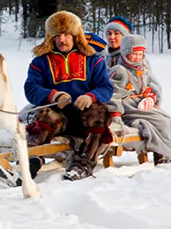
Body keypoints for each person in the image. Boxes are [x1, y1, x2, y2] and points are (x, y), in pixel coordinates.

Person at [24, 10, 114, 180]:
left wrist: (91, 96)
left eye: (66, 34)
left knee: (98, 112)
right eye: (57, 35)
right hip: (58, 116)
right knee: (43, 115)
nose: (61, 39)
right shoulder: (40, 61)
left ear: (76, 36)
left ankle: (82, 165)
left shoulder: (93, 60)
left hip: (85, 117)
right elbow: (31, 89)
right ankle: (32, 159)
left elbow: (106, 88)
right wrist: (53, 95)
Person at [107, 35, 171, 168]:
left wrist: (150, 97)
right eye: (134, 54)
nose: (138, 57)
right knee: (160, 122)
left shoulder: (142, 70)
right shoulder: (119, 71)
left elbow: (150, 87)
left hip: (141, 105)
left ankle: (166, 155)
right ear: (126, 53)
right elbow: (113, 94)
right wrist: (115, 114)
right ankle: (167, 155)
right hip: (128, 107)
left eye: (140, 54)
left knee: (169, 120)